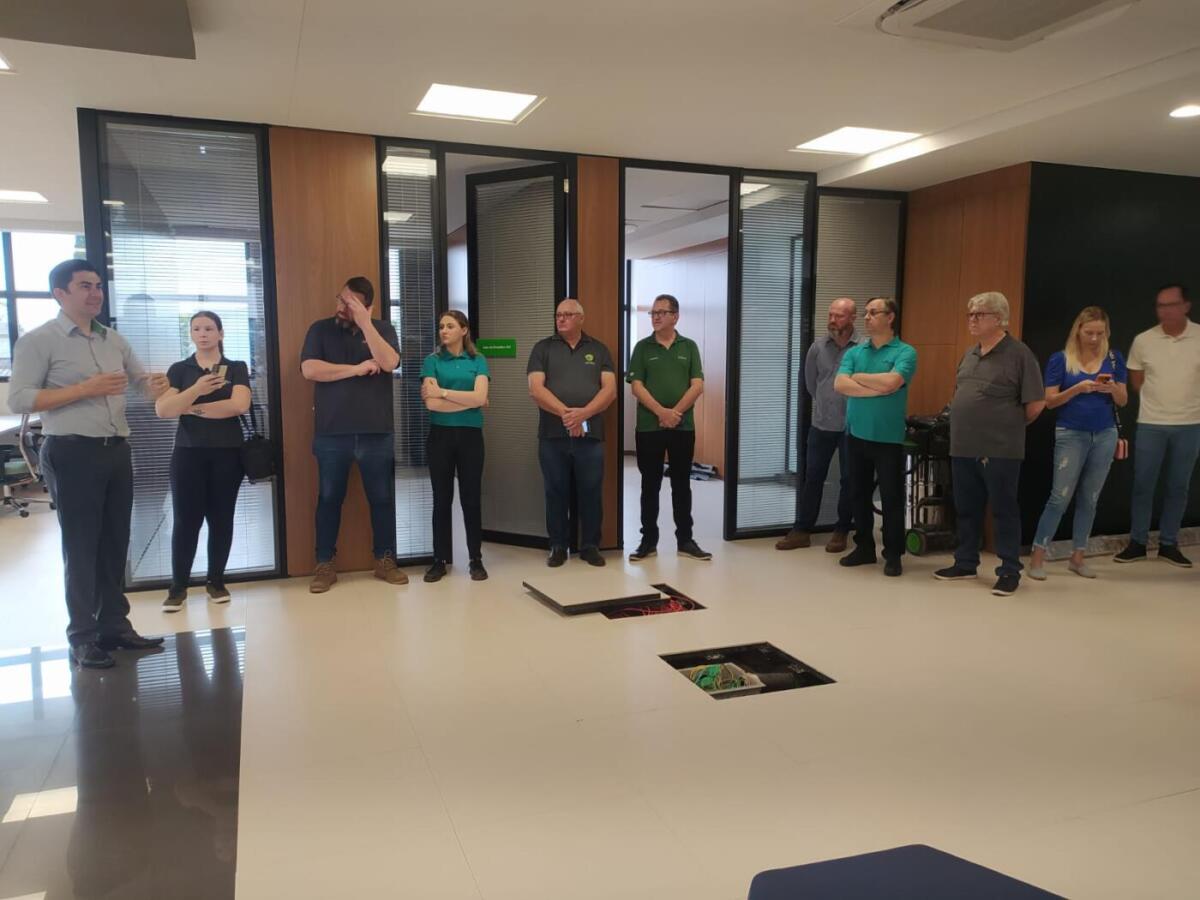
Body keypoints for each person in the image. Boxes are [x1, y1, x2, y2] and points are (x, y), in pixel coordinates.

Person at [8, 259, 169, 668]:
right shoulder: (39, 340)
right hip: (72, 451)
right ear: (60, 293)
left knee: (115, 543)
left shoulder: (113, 339)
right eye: (84, 286)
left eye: (97, 285)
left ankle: (114, 626)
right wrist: (86, 388)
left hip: (116, 450)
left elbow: (141, 386)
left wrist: (156, 384)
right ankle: (82, 636)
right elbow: (19, 398)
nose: (95, 293)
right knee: (81, 547)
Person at [300, 276, 406, 592]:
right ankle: (324, 564)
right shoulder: (320, 329)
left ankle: (385, 561)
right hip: (332, 433)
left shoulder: (383, 329)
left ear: (367, 306)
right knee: (329, 498)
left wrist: (365, 324)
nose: (342, 306)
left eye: (351, 303)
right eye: (341, 299)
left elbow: (390, 362)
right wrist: (356, 369)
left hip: (377, 432)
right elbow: (310, 370)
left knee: (382, 498)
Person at [934, 292, 1045, 596]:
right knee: (966, 508)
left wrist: (1006, 427)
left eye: (978, 314)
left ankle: (1009, 570)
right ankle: (965, 562)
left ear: (999, 318)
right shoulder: (970, 354)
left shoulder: (1019, 354)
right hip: (963, 446)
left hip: (1000, 448)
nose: (971, 319)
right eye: (969, 314)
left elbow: (1036, 404)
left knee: (1003, 510)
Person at [155, 310, 252, 609]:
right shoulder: (180, 369)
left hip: (227, 453)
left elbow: (238, 405)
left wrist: (189, 407)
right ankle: (178, 587)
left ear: (220, 333)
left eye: (209, 328)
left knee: (221, 519)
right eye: (196, 329)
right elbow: (163, 410)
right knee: (186, 520)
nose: (203, 334)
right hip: (188, 453)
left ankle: (216, 582)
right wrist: (197, 390)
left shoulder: (236, 367)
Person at [1028, 308, 1127, 580]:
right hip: (1071, 433)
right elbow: (1050, 401)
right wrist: (1077, 389)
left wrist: (1112, 388)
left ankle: (1078, 557)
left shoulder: (1114, 359)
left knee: (1090, 498)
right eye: (1089, 333)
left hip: (1105, 434)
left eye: (1100, 333)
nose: (1094, 339)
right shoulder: (1060, 359)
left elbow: (1123, 401)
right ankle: (1037, 557)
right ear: (1078, 331)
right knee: (1059, 497)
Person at [1113, 284, 1200, 567]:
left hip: (1190, 424)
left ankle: (1169, 543)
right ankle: (1137, 542)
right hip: (1151, 423)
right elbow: (1137, 381)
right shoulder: (1144, 340)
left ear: (1186, 306)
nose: (1165, 311)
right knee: (1143, 484)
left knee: (1178, 486)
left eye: (1171, 304)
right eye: (1161, 305)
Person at [527, 299, 617, 567]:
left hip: (590, 436)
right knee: (555, 491)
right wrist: (568, 415)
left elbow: (610, 390)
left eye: (567, 314)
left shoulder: (598, 349)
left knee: (591, 491)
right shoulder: (543, 348)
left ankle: (590, 546)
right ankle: (557, 545)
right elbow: (535, 389)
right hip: (552, 436)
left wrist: (584, 414)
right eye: (558, 315)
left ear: (581, 318)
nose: (561, 319)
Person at [833, 297, 917, 577]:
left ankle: (893, 554)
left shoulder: (905, 352)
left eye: (873, 313)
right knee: (857, 494)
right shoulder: (856, 352)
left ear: (890, 317)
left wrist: (859, 378)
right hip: (856, 434)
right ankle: (864, 548)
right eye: (866, 313)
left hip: (888, 438)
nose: (866, 318)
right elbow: (840, 384)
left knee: (891, 498)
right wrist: (878, 388)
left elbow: (893, 382)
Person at [626, 293, 711, 562]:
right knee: (649, 485)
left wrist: (675, 414)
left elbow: (697, 385)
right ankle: (648, 541)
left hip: (682, 427)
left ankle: (685, 540)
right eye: (653, 313)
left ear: (675, 316)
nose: (655, 317)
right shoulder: (642, 347)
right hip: (649, 428)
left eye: (661, 312)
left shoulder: (689, 346)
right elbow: (636, 386)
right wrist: (661, 412)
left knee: (681, 484)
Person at [777, 297, 858, 553]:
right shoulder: (817, 347)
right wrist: (827, 403)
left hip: (852, 427)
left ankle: (841, 530)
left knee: (849, 479)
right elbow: (811, 384)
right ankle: (802, 530)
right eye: (831, 315)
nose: (832, 320)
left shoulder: (863, 349)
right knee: (813, 477)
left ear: (853, 318)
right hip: (821, 425)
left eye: (839, 316)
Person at [419, 310, 490, 583]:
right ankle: (439, 560)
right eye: (441, 326)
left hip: (471, 438)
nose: (444, 331)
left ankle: (475, 559)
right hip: (440, 437)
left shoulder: (478, 360)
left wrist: (444, 393)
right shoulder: (432, 361)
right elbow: (432, 404)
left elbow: (480, 397)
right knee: (442, 499)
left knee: (471, 499)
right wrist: (469, 400)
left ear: (464, 330)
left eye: (450, 326)